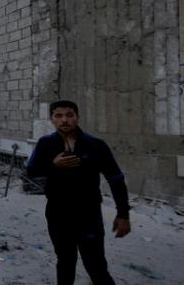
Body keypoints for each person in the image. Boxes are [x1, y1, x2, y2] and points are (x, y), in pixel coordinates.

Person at [26, 100, 130, 285]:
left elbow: (115, 178)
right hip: (58, 214)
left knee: (96, 265)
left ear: (77, 117)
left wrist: (123, 214)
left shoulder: (96, 145)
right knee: (65, 262)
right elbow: (30, 172)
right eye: (58, 115)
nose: (64, 120)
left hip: (89, 215)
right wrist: (52, 165)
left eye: (69, 115)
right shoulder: (45, 144)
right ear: (52, 119)